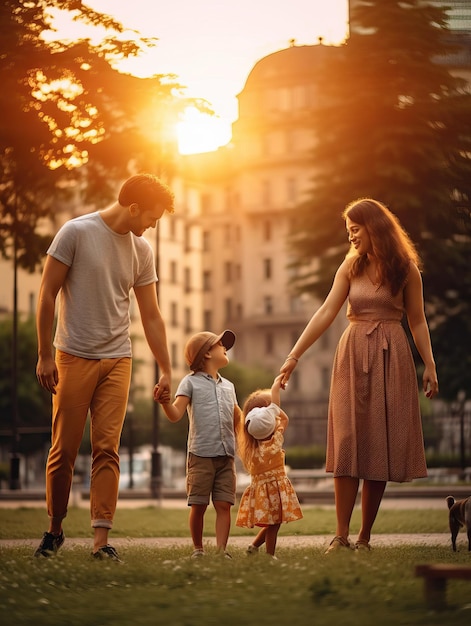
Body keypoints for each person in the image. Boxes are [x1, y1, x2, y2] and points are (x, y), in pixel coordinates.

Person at [279, 198, 439, 553]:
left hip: (391, 355)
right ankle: (340, 535)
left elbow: (416, 320)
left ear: (374, 228)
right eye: (348, 230)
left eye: (355, 229)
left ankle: (364, 537)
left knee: (378, 444)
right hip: (352, 353)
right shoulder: (350, 267)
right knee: (348, 440)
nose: (350, 236)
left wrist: (429, 364)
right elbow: (325, 312)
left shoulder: (406, 269)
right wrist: (294, 356)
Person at [35, 173, 174, 561]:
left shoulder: (141, 251)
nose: (152, 225)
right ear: (132, 208)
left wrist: (165, 368)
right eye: (151, 217)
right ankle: (55, 529)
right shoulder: (75, 233)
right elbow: (46, 294)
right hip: (73, 355)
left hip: (118, 359)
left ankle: (101, 541)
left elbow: (152, 315)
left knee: (106, 450)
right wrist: (45, 354)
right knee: (63, 450)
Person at [156, 329, 239, 559]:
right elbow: (175, 414)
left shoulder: (229, 387)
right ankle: (198, 550)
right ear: (206, 354)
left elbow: (237, 419)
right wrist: (164, 402)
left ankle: (222, 551)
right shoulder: (189, 382)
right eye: (220, 345)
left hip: (226, 456)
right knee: (199, 505)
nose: (225, 348)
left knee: (224, 505)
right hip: (200, 455)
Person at [235, 375, 303, 558]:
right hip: (275, 491)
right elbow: (285, 419)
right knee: (274, 524)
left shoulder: (251, 448)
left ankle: (254, 547)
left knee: (273, 523)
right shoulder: (274, 443)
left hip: (261, 492)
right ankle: (269, 555)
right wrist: (275, 401)